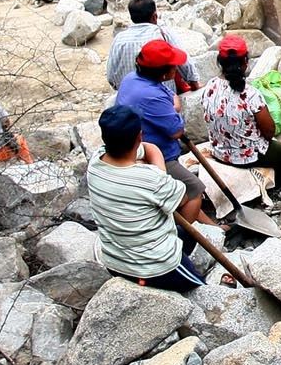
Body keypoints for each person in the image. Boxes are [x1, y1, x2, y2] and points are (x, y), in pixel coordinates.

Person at [86, 104, 208, 292]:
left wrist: (155, 170)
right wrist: (159, 171)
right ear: (139, 136)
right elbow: (183, 198)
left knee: (188, 234)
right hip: (154, 269)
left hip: (114, 261)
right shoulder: (152, 180)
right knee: (201, 288)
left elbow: (146, 150)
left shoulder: (95, 162)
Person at [201, 35, 281, 200]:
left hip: (219, 151)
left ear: (219, 61)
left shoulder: (210, 86)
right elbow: (269, 131)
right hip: (247, 156)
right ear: (245, 63)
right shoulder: (250, 94)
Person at [113, 38, 207, 201]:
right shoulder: (151, 95)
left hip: (138, 148)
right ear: (163, 72)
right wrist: (175, 108)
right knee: (194, 190)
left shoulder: (133, 78)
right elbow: (176, 131)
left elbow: (169, 95)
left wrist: (172, 104)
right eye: (173, 65)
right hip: (154, 156)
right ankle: (185, 226)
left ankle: (209, 225)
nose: (177, 68)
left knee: (184, 188)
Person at [107, 0, 197, 92]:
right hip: (163, 94)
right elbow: (184, 62)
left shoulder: (119, 39)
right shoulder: (161, 33)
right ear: (154, 16)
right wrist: (194, 82)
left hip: (128, 93)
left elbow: (111, 75)